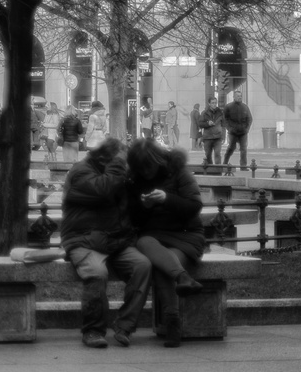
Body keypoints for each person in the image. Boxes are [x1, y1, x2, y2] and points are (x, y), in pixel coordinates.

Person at [61, 137, 151, 349]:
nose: (125, 163)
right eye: (122, 158)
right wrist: (119, 165)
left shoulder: (117, 173)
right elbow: (102, 190)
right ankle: (93, 330)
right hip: (83, 239)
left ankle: (125, 325)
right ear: (107, 158)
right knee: (96, 273)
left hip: (115, 241)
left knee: (142, 266)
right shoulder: (81, 172)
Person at [127, 137, 205, 349]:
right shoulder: (135, 180)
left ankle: (172, 322)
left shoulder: (178, 171)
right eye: (141, 168)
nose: (146, 172)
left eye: (149, 166)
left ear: (157, 160)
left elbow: (194, 206)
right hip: (153, 237)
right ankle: (183, 278)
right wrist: (143, 206)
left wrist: (166, 199)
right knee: (144, 242)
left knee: (162, 266)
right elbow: (134, 221)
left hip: (185, 235)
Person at [222, 91, 252, 171]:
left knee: (243, 149)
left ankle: (243, 166)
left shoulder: (245, 107)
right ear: (234, 97)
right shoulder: (228, 107)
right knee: (231, 147)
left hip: (243, 132)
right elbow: (225, 119)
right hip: (233, 132)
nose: (239, 97)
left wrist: (247, 129)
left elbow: (249, 119)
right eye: (238, 96)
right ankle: (225, 163)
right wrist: (229, 128)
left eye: (240, 96)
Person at [198, 99, 225, 165]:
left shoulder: (220, 113)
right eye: (212, 103)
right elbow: (200, 124)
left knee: (217, 154)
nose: (214, 104)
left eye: (215, 103)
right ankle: (211, 169)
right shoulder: (204, 113)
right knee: (208, 155)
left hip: (217, 137)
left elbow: (223, 125)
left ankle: (218, 170)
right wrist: (207, 124)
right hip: (207, 137)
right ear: (209, 104)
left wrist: (223, 137)